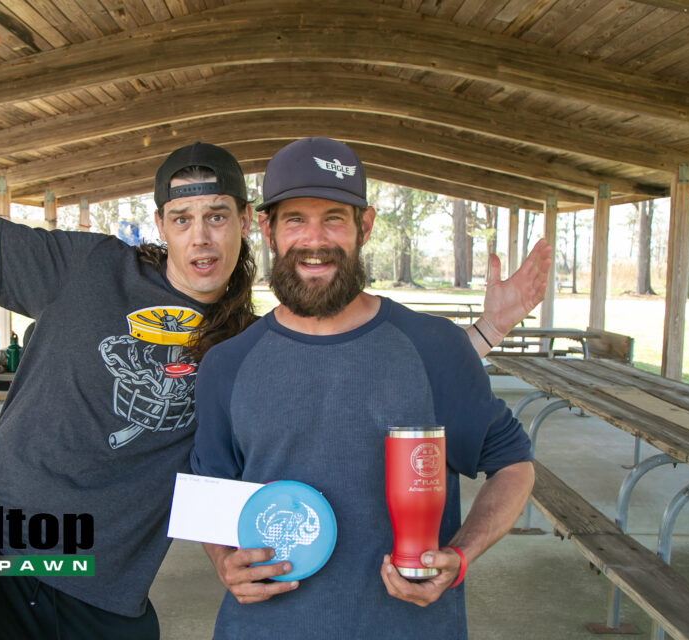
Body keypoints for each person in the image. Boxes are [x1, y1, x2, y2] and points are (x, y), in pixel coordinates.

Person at [0, 7, 549, 638]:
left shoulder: (242, 344)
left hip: (107, 583)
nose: (201, 238)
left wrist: (485, 333)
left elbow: (361, 367)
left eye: (217, 216)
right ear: (162, 224)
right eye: (183, 219)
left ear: (244, 223)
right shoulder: (89, 268)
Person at [192, 137, 537, 639]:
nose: (314, 240)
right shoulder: (228, 363)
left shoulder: (433, 347)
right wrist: (225, 560)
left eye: (334, 218)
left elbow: (514, 465)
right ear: (267, 230)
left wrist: (461, 555)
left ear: (365, 226)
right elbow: (209, 490)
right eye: (295, 219)